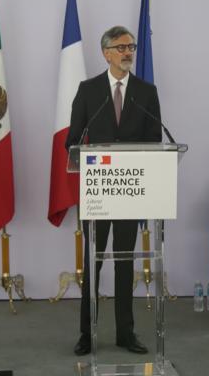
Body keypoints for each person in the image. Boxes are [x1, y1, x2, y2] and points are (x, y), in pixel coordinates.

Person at [66, 25, 162, 356]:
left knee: (124, 262)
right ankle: (86, 335)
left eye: (131, 47)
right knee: (93, 264)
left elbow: (155, 142)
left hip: (130, 191)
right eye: (121, 47)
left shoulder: (146, 92)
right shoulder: (89, 90)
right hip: (98, 192)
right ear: (106, 52)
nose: (128, 53)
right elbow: (72, 139)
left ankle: (126, 333)